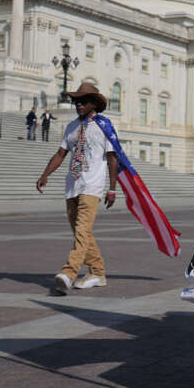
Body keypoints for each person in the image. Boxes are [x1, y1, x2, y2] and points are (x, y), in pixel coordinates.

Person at [35, 83, 119, 295]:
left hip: (92, 184)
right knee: (82, 232)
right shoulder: (71, 127)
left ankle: (68, 273)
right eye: (76, 101)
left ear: (94, 104)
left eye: (83, 101)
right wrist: (45, 174)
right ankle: (98, 273)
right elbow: (60, 154)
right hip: (72, 184)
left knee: (82, 230)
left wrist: (112, 189)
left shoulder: (105, 125)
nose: (78, 105)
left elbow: (112, 158)